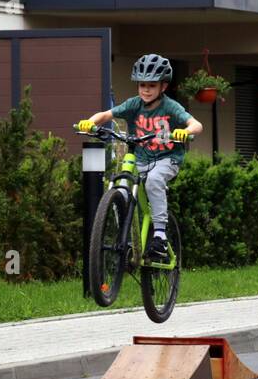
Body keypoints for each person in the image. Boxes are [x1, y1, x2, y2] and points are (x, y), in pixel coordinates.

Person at [78, 54, 202, 261]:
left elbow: (196, 124)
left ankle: (160, 236)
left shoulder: (170, 107)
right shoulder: (134, 104)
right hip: (141, 156)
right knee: (122, 186)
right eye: (142, 84)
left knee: (154, 181)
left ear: (163, 86)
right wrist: (89, 122)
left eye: (152, 85)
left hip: (166, 158)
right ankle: (124, 236)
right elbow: (106, 115)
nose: (146, 89)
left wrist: (186, 131)